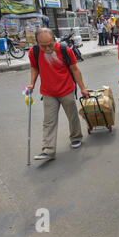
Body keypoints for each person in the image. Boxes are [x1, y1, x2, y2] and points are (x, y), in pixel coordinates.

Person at [27, 28, 89, 161]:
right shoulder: (34, 52)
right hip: (48, 91)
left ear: (54, 40)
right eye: (43, 46)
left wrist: (83, 88)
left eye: (50, 44)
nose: (48, 48)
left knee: (72, 116)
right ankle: (48, 150)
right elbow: (34, 68)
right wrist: (32, 83)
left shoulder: (65, 50)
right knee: (48, 121)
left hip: (66, 89)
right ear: (37, 43)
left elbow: (75, 70)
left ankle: (76, 137)